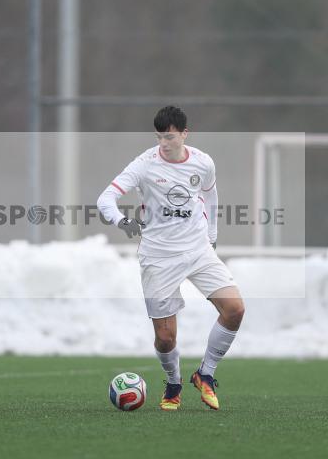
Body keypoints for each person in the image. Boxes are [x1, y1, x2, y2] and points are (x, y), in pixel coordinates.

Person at [97, 105, 245, 411]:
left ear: (184, 134)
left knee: (234, 309)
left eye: (170, 137)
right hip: (158, 256)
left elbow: (211, 197)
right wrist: (122, 222)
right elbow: (105, 199)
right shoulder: (144, 165)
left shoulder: (203, 162)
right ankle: (174, 382)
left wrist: (213, 237)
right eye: (159, 137)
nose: (164, 143)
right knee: (165, 338)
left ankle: (205, 374)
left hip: (197, 249)